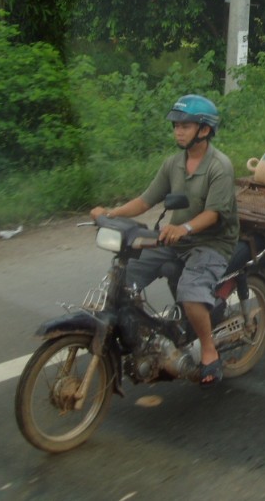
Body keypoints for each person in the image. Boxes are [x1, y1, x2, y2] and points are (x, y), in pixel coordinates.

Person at [90, 94, 239, 388]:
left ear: (204, 129)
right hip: (177, 240)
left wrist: (183, 227)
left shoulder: (219, 166)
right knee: (127, 276)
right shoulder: (173, 164)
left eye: (185, 126)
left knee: (190, 290)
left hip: (212, 243)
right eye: (176, 126)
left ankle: (208, 351)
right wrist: (109, 213)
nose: (178, 131)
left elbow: (213, 214)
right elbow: (145, 201)